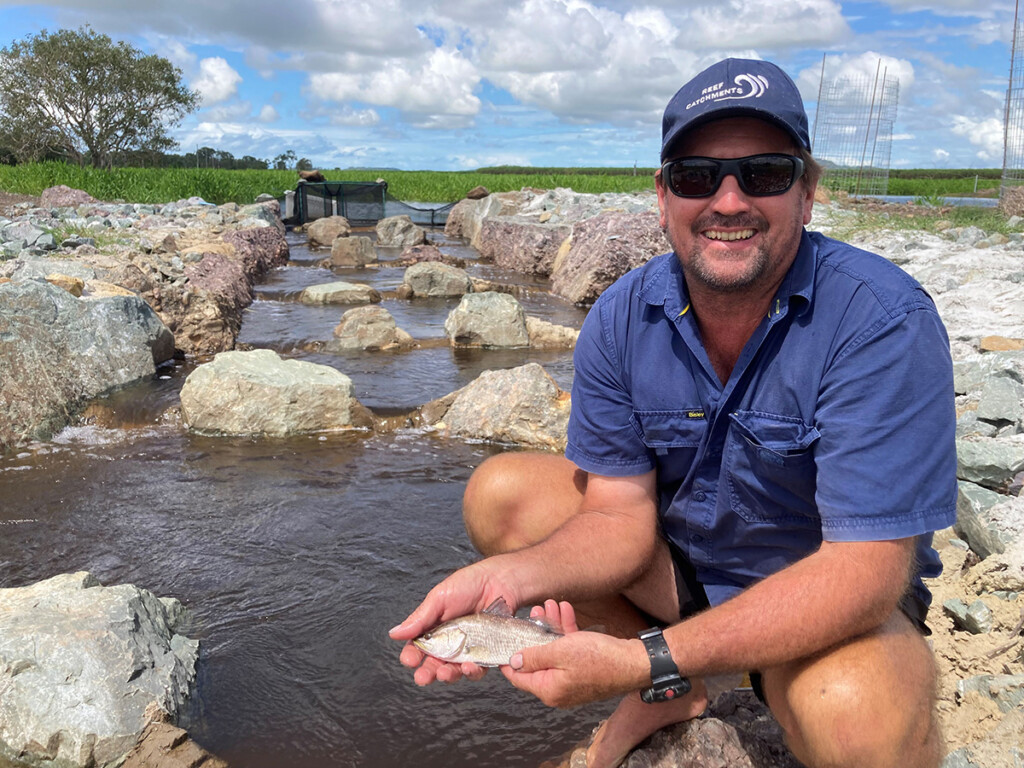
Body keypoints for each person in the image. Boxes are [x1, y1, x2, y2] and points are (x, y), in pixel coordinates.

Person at [390, 57, 957, 768]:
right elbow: (616, 520)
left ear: (807, 194)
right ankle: (677, 688)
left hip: (823, 599)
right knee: (501, 495)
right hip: (683, 576)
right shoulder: (622, 317)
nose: (727, 201)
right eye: (696, 176)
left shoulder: (880, 321)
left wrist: (644, 660)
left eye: (764, 174)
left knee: (859, 725)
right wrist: (507, 582)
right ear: (663, 197)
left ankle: (673, 675)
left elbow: (866, 572)